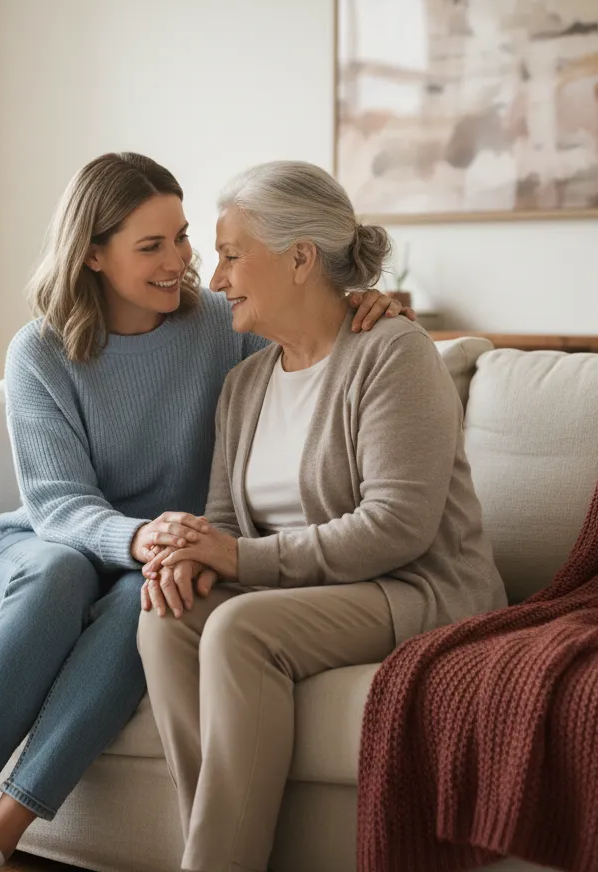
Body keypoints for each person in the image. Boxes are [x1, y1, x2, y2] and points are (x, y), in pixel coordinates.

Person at [0, 153, 407, 872]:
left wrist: (371, 303)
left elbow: (312, 323)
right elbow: (57, 503)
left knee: (152, 598)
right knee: (61, 574)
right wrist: (140, 535)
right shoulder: (39, 351)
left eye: (183, 237)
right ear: (93, 254)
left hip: (160, 559)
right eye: (151, 246)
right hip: (47, 545)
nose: (181, 262)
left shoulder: (224, 323)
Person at [137, 160, 507, 872]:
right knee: (166, 614)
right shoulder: (245, 383)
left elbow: (396, 526)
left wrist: (236, 559)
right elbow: (225, 519)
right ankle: (213, 849)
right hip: (309, 592)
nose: (217, 279)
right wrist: (187, 557)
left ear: (301, 258)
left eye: (232, 256)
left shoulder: (392, 352)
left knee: (240, 627)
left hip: (415, 588)